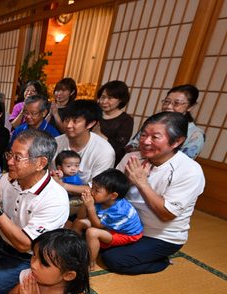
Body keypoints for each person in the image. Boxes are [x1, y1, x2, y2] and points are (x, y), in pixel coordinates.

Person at [0, 129, 70, 294]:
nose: (9, 161)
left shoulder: (55, 198)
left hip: (29, 257)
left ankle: (33, 285)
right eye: (10, 154)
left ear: (40, 163)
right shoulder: (7, 180)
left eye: (17, 157)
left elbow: (24, 245)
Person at [103, 112, 205, 274]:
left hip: (160, 236)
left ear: (177, 141)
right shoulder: (132, 157)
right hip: (126, 225)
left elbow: (166, 215)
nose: (145, 141)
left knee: (114, 259)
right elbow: (108, 194)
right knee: (86, 240)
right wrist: (125, 182)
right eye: (143, 135)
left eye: (155, 137)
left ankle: (161, 261)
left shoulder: (189, 170)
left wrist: (141, 182)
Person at [71, 169, 143, 269]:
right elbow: (80, 217)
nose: (92, 192)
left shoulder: (120, 211)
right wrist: (85, 204)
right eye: (93, 188)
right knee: (79, 222)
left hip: (126, 234)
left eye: (97, 190)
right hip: (108, 226)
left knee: (92, 232)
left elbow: (98, 226)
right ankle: (71, 248)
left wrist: (90, 207)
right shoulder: (101, 199)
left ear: (113, 195)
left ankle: (90, 262)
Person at [53, 99, 115, 196]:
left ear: (90, 124)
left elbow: (97, 190)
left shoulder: (104, 151)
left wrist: (62, 185)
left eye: (75, 121)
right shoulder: (56, 142)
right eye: (66, 120)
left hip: (85, 201)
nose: (68, 125)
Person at [125, 84, 205, 159]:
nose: (169, 106)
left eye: (176, 103)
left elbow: (182, 162)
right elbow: (130, 146)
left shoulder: (196, 135)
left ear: (190, 106)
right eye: (166, 102)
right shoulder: (153, 124)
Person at [94, 80, 134, 165]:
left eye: (110, 98)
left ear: (120, 100)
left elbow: (119, 147)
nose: (104, 101)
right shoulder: (94, 113)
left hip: (109, 160)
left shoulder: (126, 120)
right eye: (103, 97)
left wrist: (99, 134)